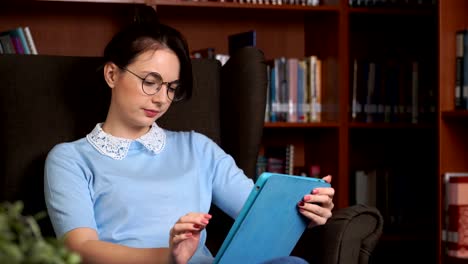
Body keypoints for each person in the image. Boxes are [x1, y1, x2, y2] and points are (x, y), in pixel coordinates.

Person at [43, 7, 335, 264]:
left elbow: (260, 216)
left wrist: (304, 211)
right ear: (111, 74)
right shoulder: (71, 159)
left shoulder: (198, 148)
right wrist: (168, 257)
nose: (161, 99)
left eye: (171, 87)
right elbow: (80, 248)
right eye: (150, 82)